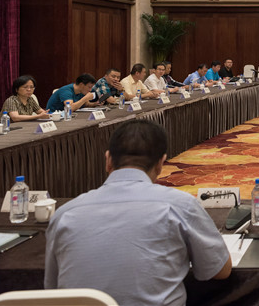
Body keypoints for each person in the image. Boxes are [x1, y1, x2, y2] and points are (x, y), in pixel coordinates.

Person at [44, 119, 232, 305]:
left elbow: (52, 288)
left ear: (108, 160)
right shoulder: (180, 205)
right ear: (161, 164)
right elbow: (219, 270)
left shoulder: (64, 214)